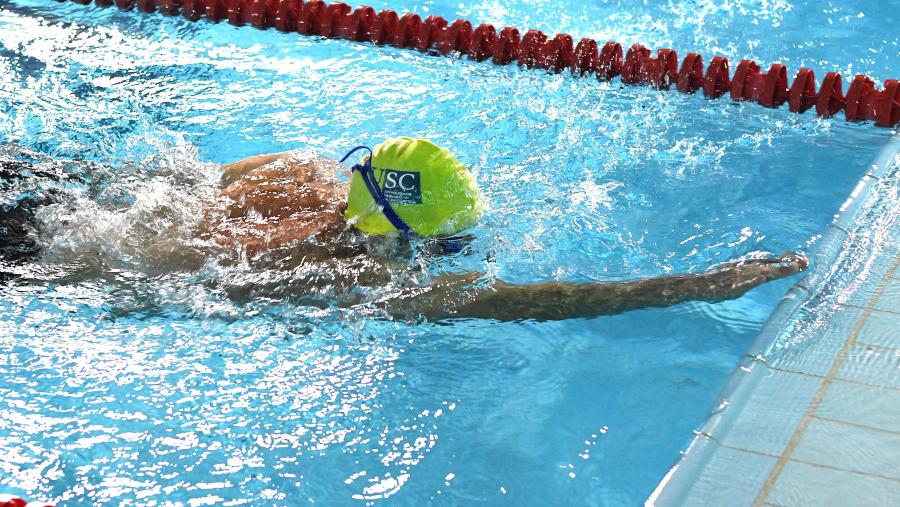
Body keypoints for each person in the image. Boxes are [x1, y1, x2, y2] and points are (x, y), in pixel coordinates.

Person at [1, 138, 808, 321]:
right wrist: (694, 285)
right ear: (398, 235)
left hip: (58, 193)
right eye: (444, 243)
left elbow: (157, 187)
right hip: (43, 259)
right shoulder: (358, 278)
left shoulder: (296, 165)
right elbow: (534, 301)